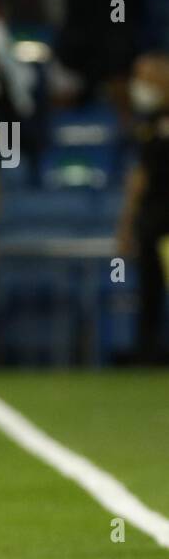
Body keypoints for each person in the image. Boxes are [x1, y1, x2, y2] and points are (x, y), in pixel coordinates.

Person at [116, 53, 169, 364]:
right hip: (153, 221)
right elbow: (139, 178)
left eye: (145, 79)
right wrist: (127, 225)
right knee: (149, 293)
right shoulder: (146, 125)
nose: (139, 87)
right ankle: (148, 355)